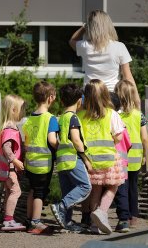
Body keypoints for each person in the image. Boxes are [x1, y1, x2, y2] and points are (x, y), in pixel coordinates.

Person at [77, 79, 125, 234]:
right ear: (105, 95)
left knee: (96, 190)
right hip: (109, 158)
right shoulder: (111, 114)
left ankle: (93, 225)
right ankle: (102, 211)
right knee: (113, 186)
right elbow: (118, 137)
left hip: (91, 160)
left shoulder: (81, 115)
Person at [50, 83, 92, 233]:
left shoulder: (60, 118)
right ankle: (61, 206)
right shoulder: (73, 118)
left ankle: (66, 221)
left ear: (62, 101)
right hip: (73, 159)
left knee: (68, 192)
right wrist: (86, 158)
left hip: (61, 162)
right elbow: (75, 139)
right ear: (80, 101)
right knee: (85, 187)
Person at [22, 81, 59, 234]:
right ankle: (36, 222)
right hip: (43, 164)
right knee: (40, 193)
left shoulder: (30, 118)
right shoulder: (50, 118)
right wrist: (61, 146)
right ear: (51, 98)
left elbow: (26, 140)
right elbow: (51, 139)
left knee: (32, 190)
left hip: (30, 162)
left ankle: (29, 219)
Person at [69, 10, 136, 92]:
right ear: (108, 26)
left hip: (90, 93)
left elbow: (72, 40)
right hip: (111, 94)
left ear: (90, 27)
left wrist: (84, 26)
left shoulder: (85, 46)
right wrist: (136, 99)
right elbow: (127, 77)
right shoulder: (119, 47)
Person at [114, 79, 148, 230]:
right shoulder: (138, 115)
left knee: (122, 187)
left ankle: (124, 216)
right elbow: (145, 137)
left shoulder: (115, 115)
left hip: (121, 158)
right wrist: (146, 156)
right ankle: (134, 215)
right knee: (134, 187)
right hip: (136, 158)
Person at [0, 94, 26, 231]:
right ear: (13, 110)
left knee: (9, 192)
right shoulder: (10, 129)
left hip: (6, 169)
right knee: (16, 191)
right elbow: (7, 148)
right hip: (10, 169)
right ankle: (8, 220)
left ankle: (7, 218)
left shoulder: (6, 127)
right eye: (21, 109)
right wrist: (16, 161)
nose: (23, 112)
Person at [110, 92, 132, 233]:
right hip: (123, 163)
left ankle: (95, 219)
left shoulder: (109, 120)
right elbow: (128, 143)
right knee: (122, 192)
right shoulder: (122, 124)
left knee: (107, 190)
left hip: (111, 161)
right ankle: (124, 220)